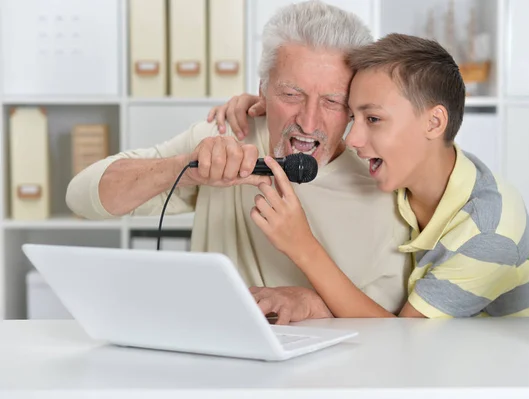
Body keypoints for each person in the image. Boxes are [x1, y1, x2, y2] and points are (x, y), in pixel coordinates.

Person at [65, 1, 412, 324]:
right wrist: (188, 168)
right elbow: (80, 198)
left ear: (354, 104)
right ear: (262, 91)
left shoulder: (383, 184)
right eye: (291, 95)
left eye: (332, 101)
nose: (308, 122)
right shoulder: (229, 136)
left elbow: (389, 321)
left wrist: (312, 302)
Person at [211, 33, 529, 318]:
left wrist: (302, 246)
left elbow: (404, 338)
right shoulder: (411, 172)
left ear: (434, 123)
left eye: (373, 119)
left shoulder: (488, 233)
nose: (352, 140)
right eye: (352, 116)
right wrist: (274, 102)